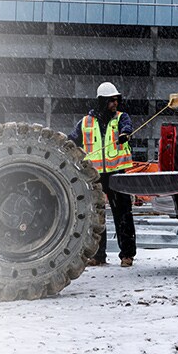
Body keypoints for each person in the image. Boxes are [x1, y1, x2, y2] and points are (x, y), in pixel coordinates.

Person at [69, 81, 137, 268]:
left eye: (116, 100)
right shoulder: (85, 123)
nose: (115, 104)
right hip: (95, 175)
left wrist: (125, 134)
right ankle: (98, 255)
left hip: (117, 173)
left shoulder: (121, 118)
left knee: (123, 214)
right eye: (111, 101)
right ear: (101, 102)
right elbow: (71, 141)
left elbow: (127, 127)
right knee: (95, 216)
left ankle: (127, 255)